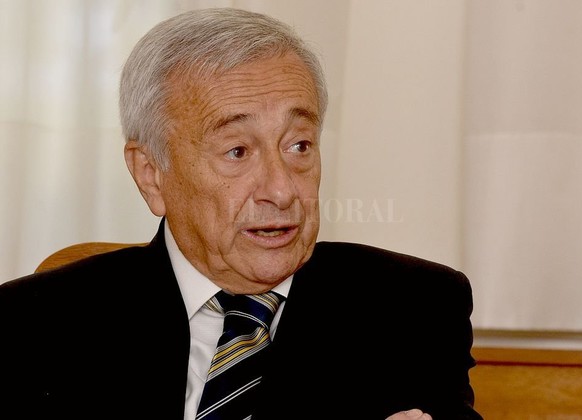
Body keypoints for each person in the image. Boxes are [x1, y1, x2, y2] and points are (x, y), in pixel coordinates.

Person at [0, 7, 482, 420]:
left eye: (299, 145)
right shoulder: (31, 323)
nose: (282, 190)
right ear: (151, 174)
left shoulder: (414, 307)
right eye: (237, 151)